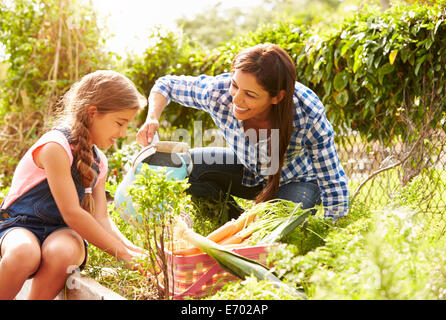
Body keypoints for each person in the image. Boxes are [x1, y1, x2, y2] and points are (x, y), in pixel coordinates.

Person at [137, 43, 349, 221]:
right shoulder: (218, 93)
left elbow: (331, 178)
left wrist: (335, 228)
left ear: (276, 97)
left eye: (250, 94)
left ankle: (259, 227)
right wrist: (152, 118)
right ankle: (235, 223)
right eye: (235, 85)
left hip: (296, 180)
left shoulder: (306, 112)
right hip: (248, 170)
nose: (236, 99)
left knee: (278, 226)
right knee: (180, 166)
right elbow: (165, 85)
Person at [0, 70, 148, 300]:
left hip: (62, 233)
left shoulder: (99, 162)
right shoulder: (55, 146)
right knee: (24, 253)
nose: (123, 133)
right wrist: (124, 257)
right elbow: (72, 213)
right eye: (119, 123)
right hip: (21, 225)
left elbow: (101, 219)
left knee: (63, 252)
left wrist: (135, 252)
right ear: (92, 113)